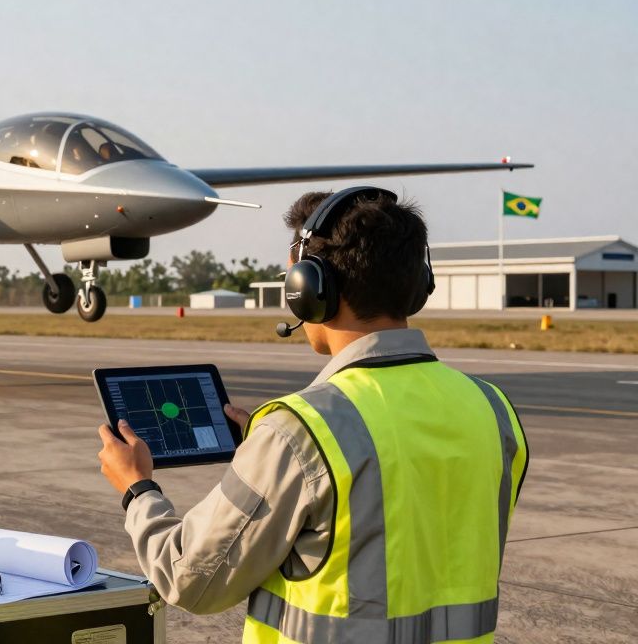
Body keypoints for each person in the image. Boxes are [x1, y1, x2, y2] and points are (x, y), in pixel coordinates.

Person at [97, 187, 528, 643]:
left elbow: (189, 580)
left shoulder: (299, 432)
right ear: (418, 285)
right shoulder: (492, 409)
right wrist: (273, 454)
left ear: (311, 291)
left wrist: (137, 488)